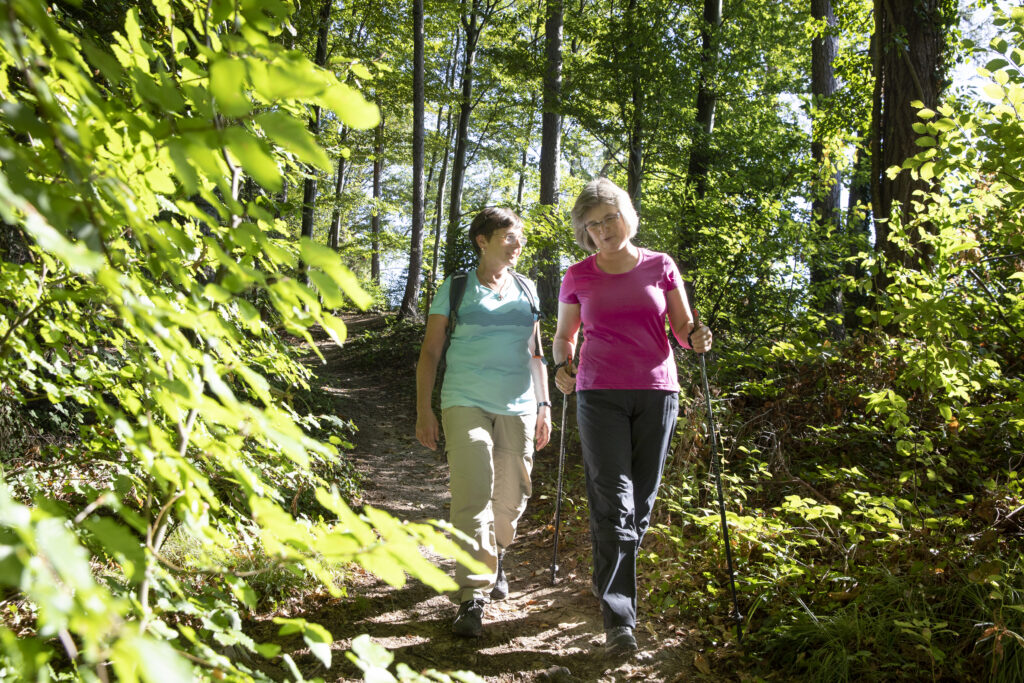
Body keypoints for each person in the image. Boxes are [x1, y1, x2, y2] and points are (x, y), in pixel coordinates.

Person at [551, 178, 712, 657]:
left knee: (639, 503)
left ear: (628, 217)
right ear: (584, 232)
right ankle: (619, 619)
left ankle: (608, 574)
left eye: (609, 218)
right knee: (614, 501)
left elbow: (682, 327)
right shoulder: (577, 275)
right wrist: (562, 365)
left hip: (657, 392)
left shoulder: (661, 265)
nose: (602, 229)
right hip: (598, 392)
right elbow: (564, 336)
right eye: (592, 224)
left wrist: (696, 336)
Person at [416, 207, 552, 638]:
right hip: (464, 400)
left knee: (511, 498)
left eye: (520, 236)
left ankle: (496, 553)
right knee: (473, 492)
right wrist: (424, 409)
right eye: (510, 236)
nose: (518, 244)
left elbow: (536, 353)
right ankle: (472, 595)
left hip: (520, 404)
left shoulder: (527, 287)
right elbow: (430, 352)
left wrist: (545, 405)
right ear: (483, 240)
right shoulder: (456, 287)